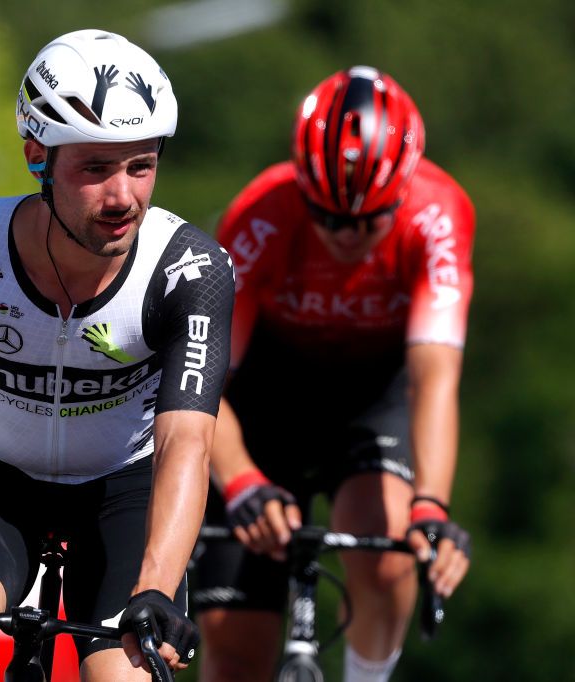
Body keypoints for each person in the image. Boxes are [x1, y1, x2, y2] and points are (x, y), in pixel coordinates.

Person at [0, 29, 235, 681]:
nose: (123, 196)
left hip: (124, 487)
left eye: (140, 166)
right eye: (95, 168)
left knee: (125, 672)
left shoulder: (191, 270)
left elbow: (186, 445)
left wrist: (156, 585)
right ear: (38, 157)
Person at [193, 66, 474, 682]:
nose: (346, 234)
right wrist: (239, 480)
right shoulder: (261, 214)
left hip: (372, 403)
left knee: (390, 558)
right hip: (264, 403)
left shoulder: (439, 215)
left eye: (368, 220)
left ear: (401, 193)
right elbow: (202, 378)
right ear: (303, 192)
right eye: (327, 217)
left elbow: (434, 378)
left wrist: (431, 506)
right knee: (233, 658)